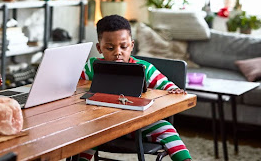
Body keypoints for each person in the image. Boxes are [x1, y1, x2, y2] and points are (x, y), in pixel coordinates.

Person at [78, 15, 192, 161]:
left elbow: (168, 87)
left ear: (131, 46)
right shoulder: (91, 66)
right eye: (110, 48)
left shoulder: (145, 68)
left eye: (123, 47)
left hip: (137, 127)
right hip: (100, 127)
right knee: (82, 136)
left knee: (167, 129)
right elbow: (74, 85)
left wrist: (174, 90)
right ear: (100, 48)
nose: (117, 52)